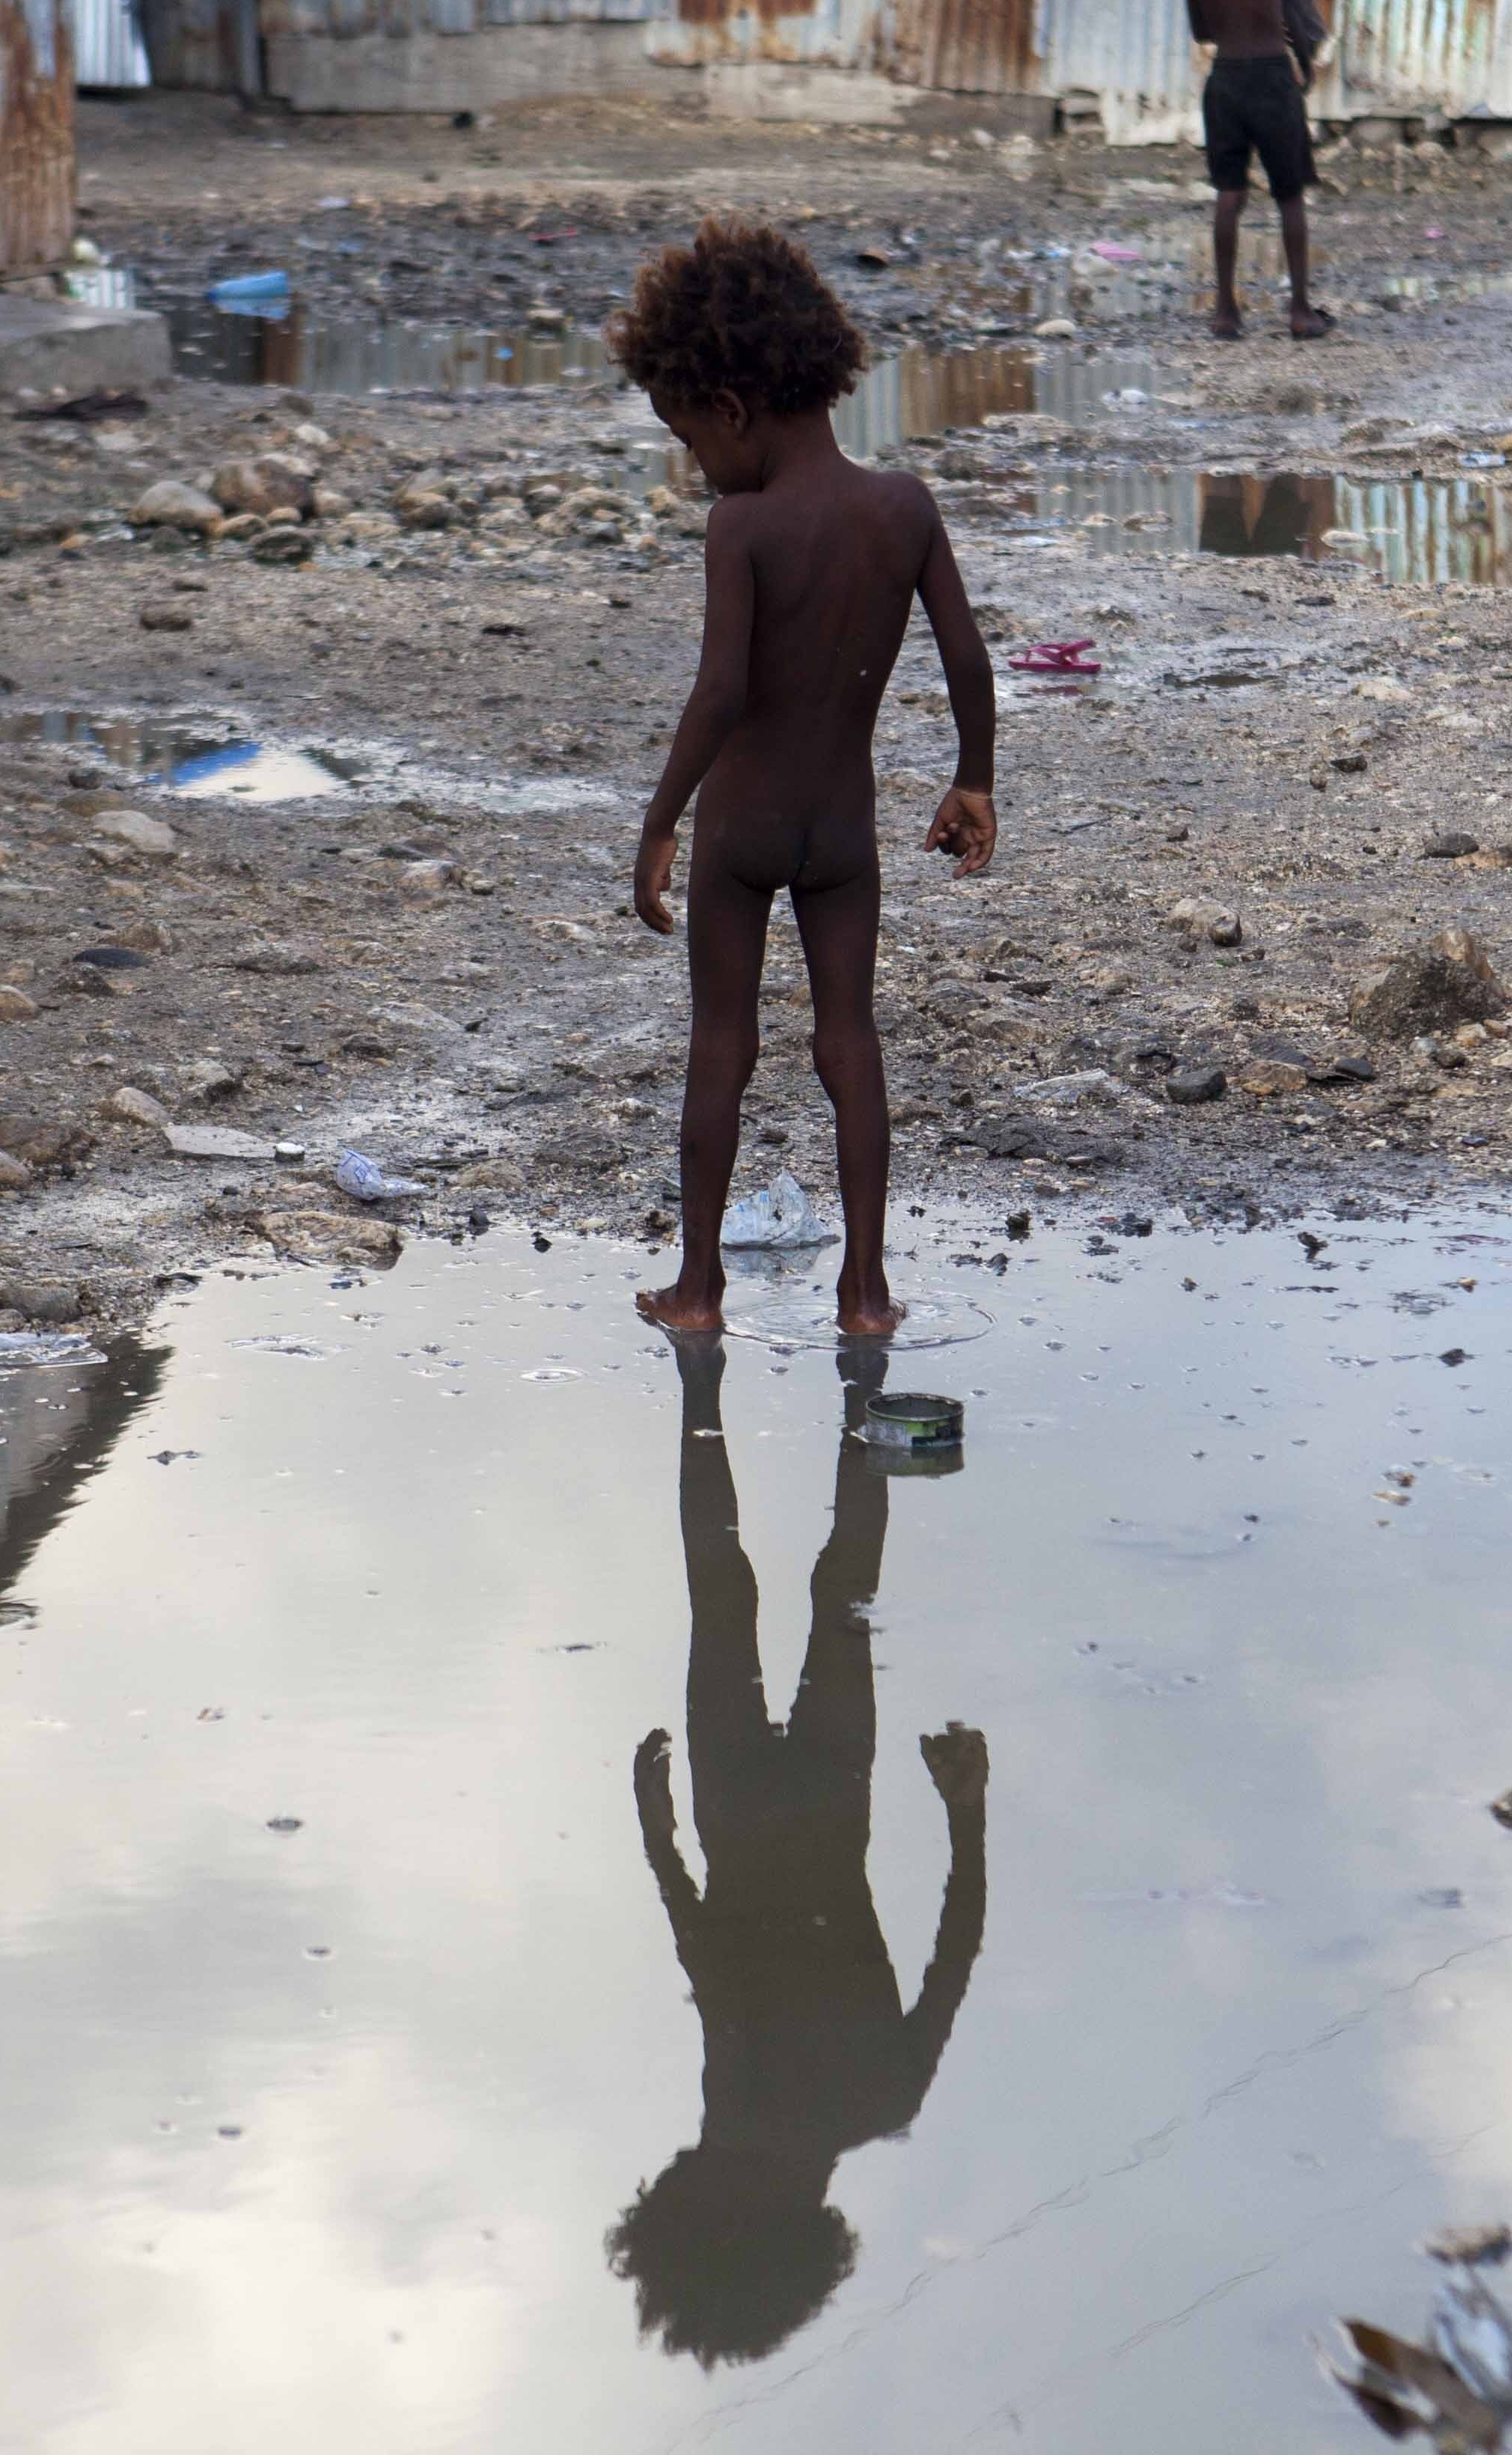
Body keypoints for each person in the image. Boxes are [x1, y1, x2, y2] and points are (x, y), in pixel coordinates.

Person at [612, 220, 997, 1338]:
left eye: (690, 440)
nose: (697, 467)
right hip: (842, 836)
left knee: (722, 1048)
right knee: (850, 1044)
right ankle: (867, 1293)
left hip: (741, 838)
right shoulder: (905, 509)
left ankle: (698, 1289)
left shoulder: (743, 528)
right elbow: (968, 659)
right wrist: (973, 779)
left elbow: (721, 693)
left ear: (729, 411)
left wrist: (659, 821)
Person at [612, 1338, 988, 2367]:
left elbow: (957, 1955)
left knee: (842, 1590)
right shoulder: (744, 2127)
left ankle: (862, 1390)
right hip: (738, 1805)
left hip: (829, 1797)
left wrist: (969, 1813)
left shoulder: (881, 2103)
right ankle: (699, 1385)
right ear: (713, 2220)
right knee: (720, 1587)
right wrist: (659, 1838)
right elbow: (711, 1969)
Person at [1178, 0, 1335, 341]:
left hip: (1225, 82)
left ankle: (1225, 310)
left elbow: (1201, 32)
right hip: (1271, 77)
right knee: (1289, 195)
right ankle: (1299, 311)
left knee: (1229, 195)